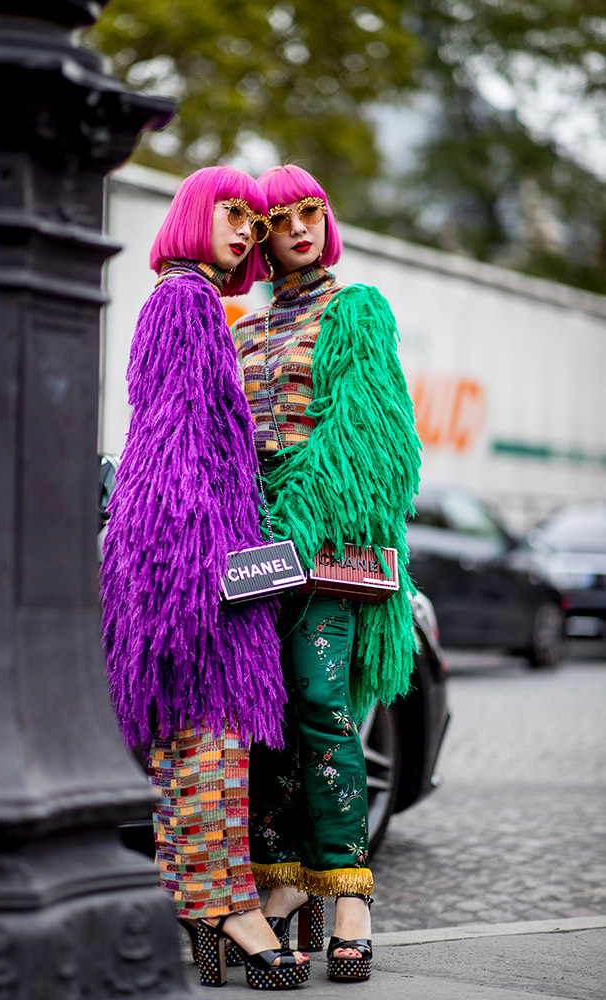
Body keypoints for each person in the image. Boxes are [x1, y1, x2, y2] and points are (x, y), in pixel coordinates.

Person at [100, 166, 310, 990]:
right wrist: (204, 559)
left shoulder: (185, 302)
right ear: (194, 213)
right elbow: (177, 443)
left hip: (188, 545)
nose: (245, 231)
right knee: (205, 738)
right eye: (231, 213)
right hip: (186, 551)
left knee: (199, 742)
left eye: (252, 225)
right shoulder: (185, 300)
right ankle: (221, 906)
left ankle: (202, 907)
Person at [231, 164, 422, 983]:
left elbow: (367, 443)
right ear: (262, 237)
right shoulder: (240, 332)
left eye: (312, 212)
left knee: (319, 703)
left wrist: (295, 514)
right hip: (255, 552)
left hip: (325, 543)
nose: (300, 228)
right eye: (281, 219)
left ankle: (347, 893)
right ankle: (279, 886)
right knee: (262, 716)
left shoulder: (356, 310)